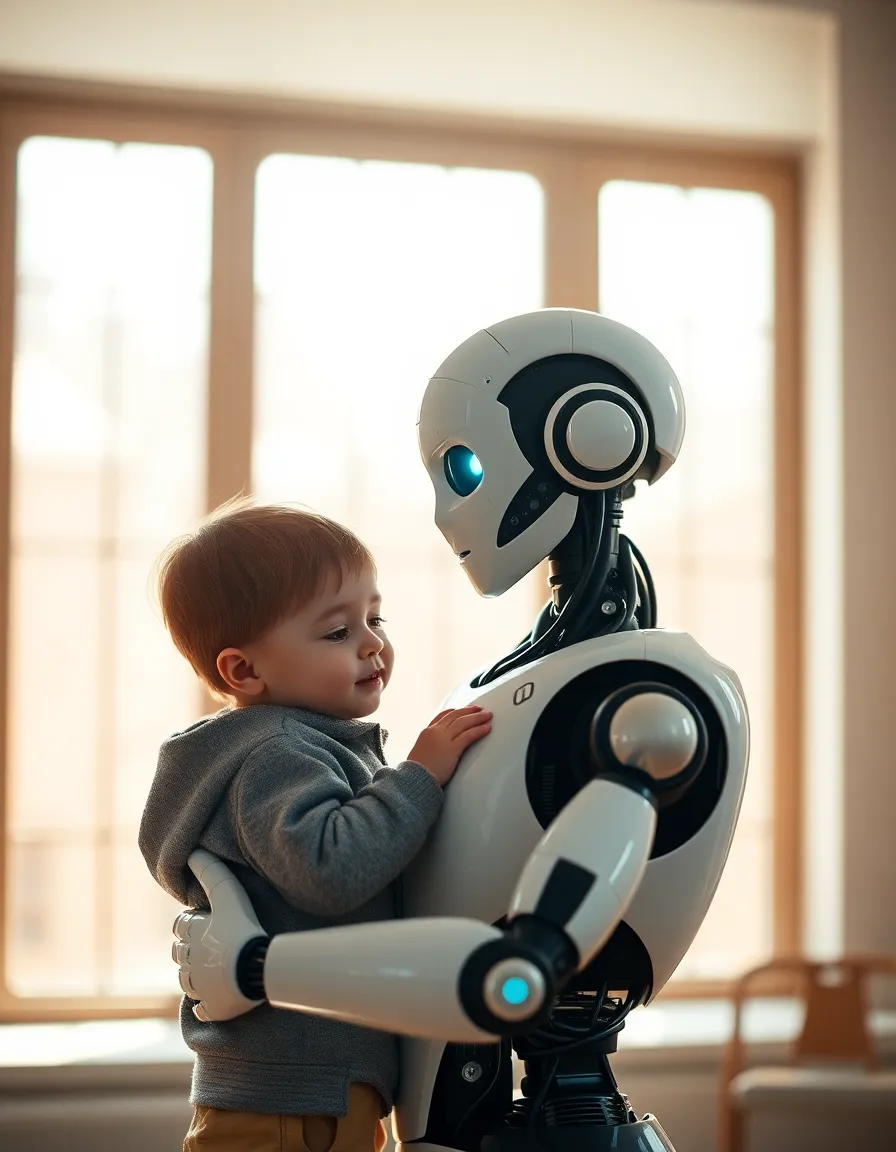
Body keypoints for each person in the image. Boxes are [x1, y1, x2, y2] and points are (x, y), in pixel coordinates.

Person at [138, 498, 493, 1152]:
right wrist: (420, 775)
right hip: (292, 1105)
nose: (371, 643)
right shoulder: (276, 755)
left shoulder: (300, 744)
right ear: (244, 670)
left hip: (313, 1094)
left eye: (374, 617)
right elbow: (330, 870)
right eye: (337, 632)